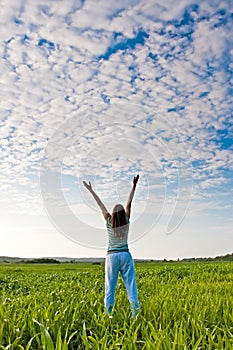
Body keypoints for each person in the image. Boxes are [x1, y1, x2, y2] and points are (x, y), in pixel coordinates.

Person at [83, 175, 140, 319]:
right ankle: (135, 315)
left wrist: (91, 190)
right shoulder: (126, 221)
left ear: (113, 214)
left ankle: (108, 315)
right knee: (131, 287)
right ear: (123, 214)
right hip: (125, 255)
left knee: (110, 289)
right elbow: (129, 205)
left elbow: (100, 204)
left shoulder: (108, 220)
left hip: (112, 256)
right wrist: (133, 186)